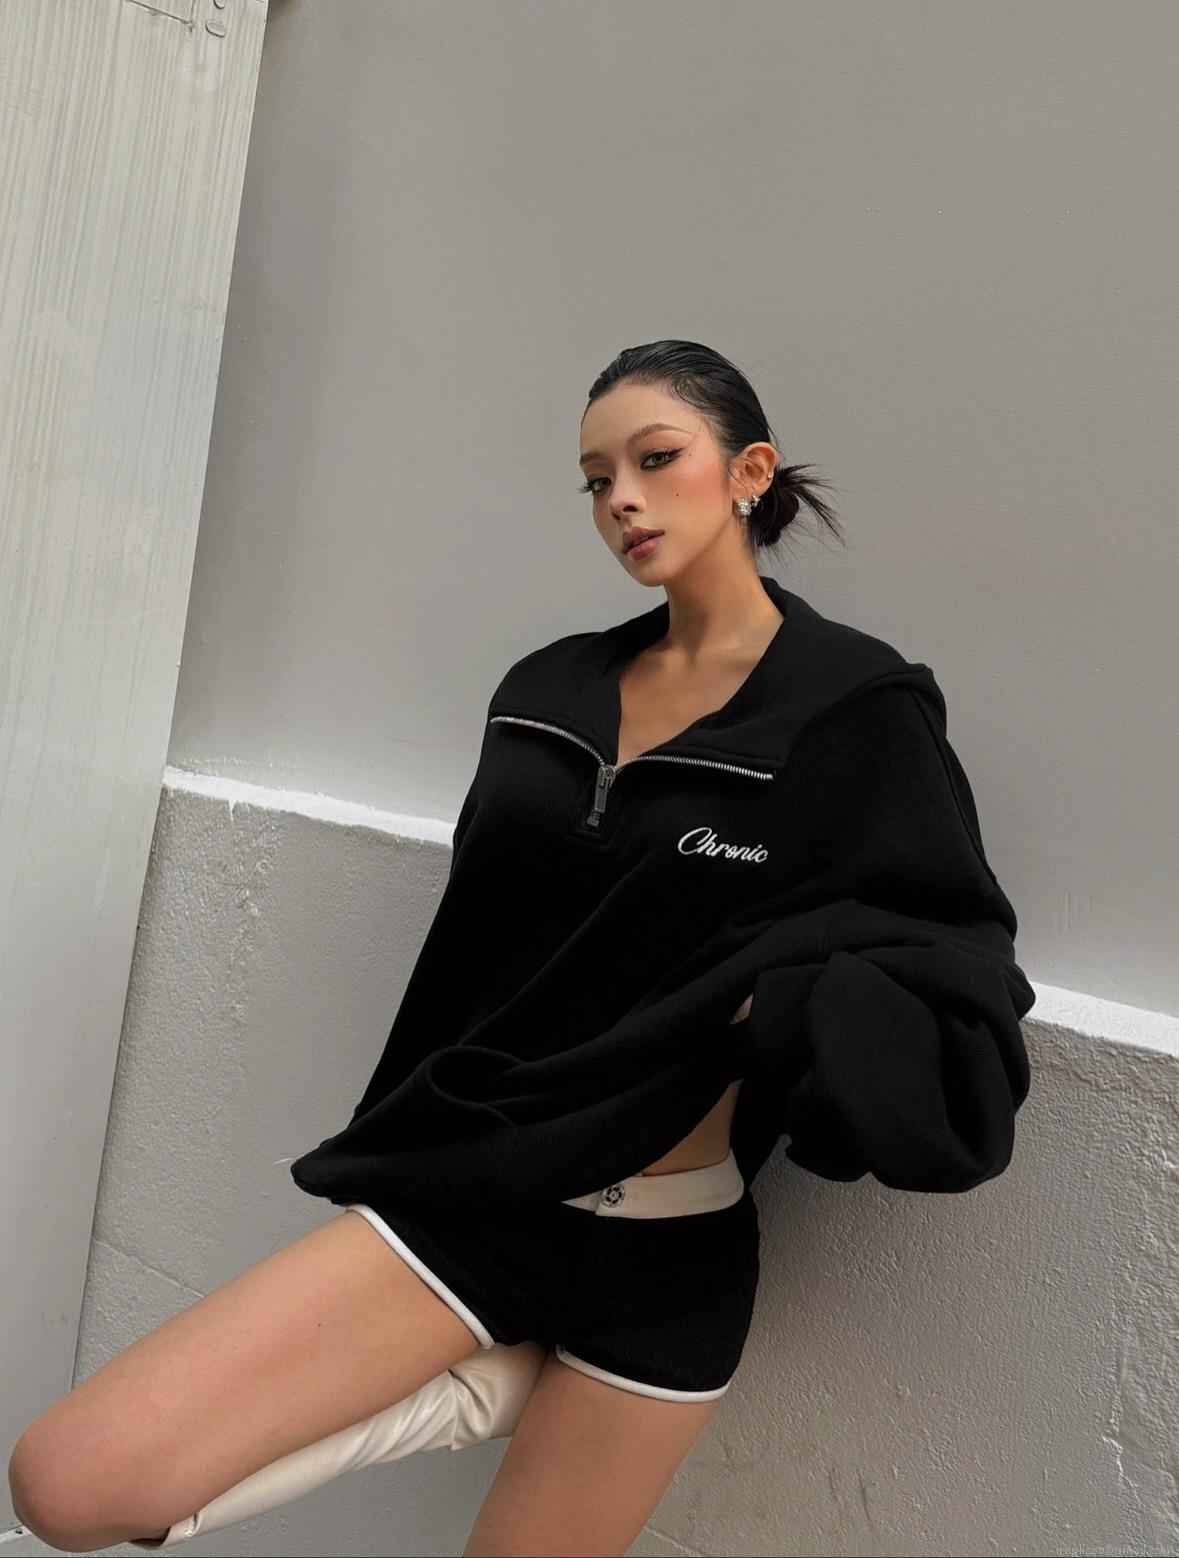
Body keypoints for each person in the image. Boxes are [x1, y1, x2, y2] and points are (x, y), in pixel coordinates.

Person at [8, 340, 1035, 1558]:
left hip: (675, 1260)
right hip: (486, 1205)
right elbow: (474, 958)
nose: (624, 501)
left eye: (657, 459)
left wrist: (774, 1009)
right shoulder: (546, 698)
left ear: (749, 471)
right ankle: (478, 1394)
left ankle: (493, 1385)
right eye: (597, 480)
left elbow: (953, 956)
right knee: (70, 1483)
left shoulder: (855, 711)